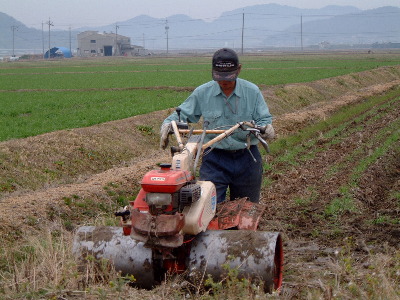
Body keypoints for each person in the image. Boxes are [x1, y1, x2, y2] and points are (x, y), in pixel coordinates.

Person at [160, 48, 274, 203]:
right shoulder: (203, 92)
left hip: (247, 157)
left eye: (229, 76)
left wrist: (266, 128)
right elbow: (182, 115)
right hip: (214, 158)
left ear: (239, 69)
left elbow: (264, 119)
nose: (224, 81)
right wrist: (168, 125)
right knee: (207, 208)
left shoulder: (251, 92)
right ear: (213, 71)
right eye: (219, 77)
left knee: (246, 210)